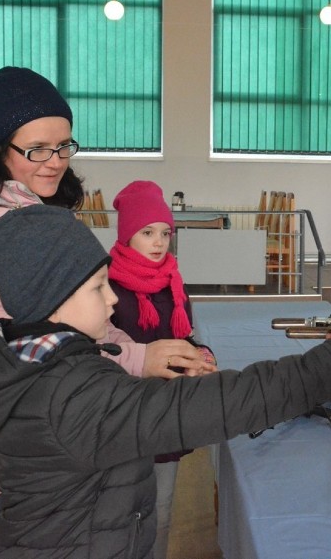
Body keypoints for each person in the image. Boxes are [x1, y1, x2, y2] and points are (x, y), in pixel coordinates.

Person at [0, 205, 331, 558]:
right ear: (53, 301)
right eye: (98, 288)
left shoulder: (34, 364)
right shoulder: (76, 396)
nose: (112, 298)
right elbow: (229, 402)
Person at [0, 66, 212, 541]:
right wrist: (138, 356)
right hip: (2, 448)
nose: (55, 161)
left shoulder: (28, 206)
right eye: (36, 148)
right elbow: (15, 350)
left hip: (47, 430)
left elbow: (81, 308)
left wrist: (155, 350)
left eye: (64, 146)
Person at [107, 180, 215, 559]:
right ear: (126, 235)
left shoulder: (174, 282)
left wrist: (201, 354)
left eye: (165, 233)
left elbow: (188, 335)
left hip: (166, 414)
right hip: (121, 415)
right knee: (118, 508)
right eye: (147, 233)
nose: (159, 242)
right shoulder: (106, 287)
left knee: (163, 507)